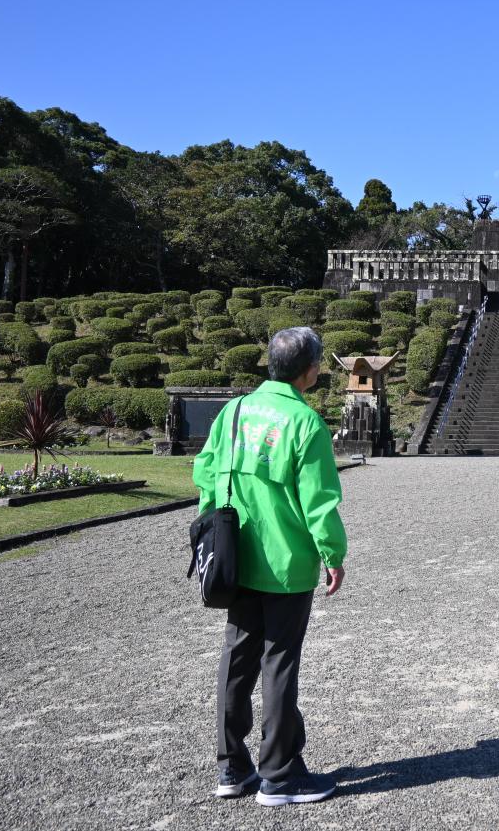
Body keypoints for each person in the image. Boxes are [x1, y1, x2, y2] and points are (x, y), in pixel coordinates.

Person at [191, 326, 348, 806]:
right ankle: (279, 775)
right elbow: (318, 501)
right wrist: (333, 554)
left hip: (236, 555)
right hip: (285, 561)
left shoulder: (235, 410)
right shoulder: (305, 423)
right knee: (279, 662)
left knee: (236, 661)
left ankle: (231, 768)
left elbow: (204, 470)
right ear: (309, 371)